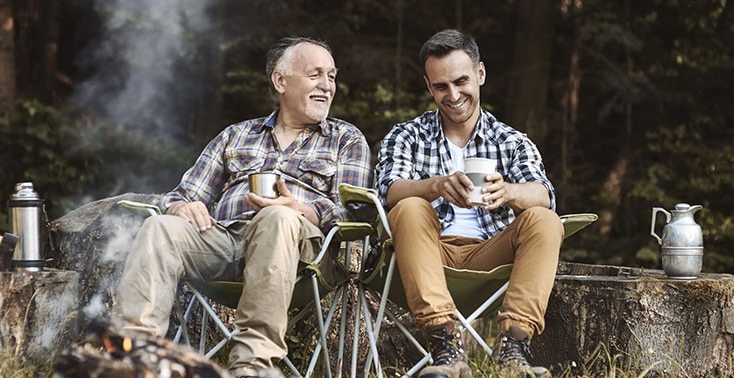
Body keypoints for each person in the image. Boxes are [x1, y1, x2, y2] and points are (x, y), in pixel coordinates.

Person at [112, 36, 373, 377]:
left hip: (302, 251)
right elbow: (182, 194)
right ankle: (134, 358)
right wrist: (181, 208)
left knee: (278, 216)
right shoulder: (236, 136)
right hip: (227, 241)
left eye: (332, 76)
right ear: (281, 81)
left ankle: (252, 365)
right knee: (160, 227)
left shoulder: (345, 139)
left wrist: (302, 209)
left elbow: (355, 212)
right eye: (316, 75)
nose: (327, 85)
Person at [375, 29, 563, 378]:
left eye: (461, 81)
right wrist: (434, 186)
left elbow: (545, 194)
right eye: (441, 86)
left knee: (545, 220)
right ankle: (446, 346)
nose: (454, 94)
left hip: (490, 254)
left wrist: (508, 192)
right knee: (410, 206)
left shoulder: (511, 141)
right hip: (427, 253)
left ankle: (514, 348)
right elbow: (387, 190)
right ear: (428, 87)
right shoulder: (407, 136)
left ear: (480, 74)